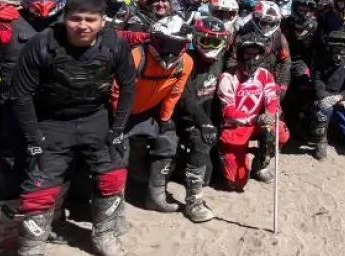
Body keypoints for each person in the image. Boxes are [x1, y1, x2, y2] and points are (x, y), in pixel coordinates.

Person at [9, 0, 137, 256]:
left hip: (95, 117)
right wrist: (32, 139)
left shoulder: (115, 43)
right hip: (51, 121)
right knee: (39, 190)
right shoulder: (43, 43)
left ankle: (103, 233)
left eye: (90, 19)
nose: (82, 25)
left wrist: (118, 128)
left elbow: (129, 84)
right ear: (65, 18)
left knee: (112, 176)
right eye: (75, 18)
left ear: (101, 21)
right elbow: (20, 94)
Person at [0, 0, 70, 256]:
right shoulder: (8, 24)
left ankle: (47, 226)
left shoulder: (71, 26)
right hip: (13, 116)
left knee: (57, 173)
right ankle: (8, 248)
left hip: (55, 116)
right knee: (12, 176)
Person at [115, 16, 193, 214]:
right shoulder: (136, 56)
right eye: (165, 42)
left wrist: (166, 119)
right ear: (155, 40)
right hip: (119, 111)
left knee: (168, 140)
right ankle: (115, 201)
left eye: (177, 44)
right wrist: (118, 119)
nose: (170, 49)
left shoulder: (185, 62)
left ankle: (156, 195)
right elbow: (116, 90)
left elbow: (175, 92)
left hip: (150, 111)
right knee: (117, 150)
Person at [217, 33, 289, 190]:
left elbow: (272, 99)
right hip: (234, 126)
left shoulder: (265, 75)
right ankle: (227, 156)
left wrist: (269, 114)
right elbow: (228, 110)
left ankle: (260, 163)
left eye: (256, 54)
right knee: (236, 183)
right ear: (241, 54)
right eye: (248, 54)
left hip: (258, 122)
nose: (252, 58)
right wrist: (254, 118)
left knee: (280, 131)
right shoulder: (227, 77)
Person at [176, 14, 229, 222]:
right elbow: (185, 97)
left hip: (208, 116)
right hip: (183, 119)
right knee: (201, 140)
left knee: (209, 177)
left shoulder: (220, 60)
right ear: (196, 38)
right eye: (206, 40)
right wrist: (204, 122)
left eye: (216, 40)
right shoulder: (186, 60)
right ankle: (193, 202)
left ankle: (181, 166)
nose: (211, 45)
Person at [309, 31, 345, 159]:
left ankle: (338, 133)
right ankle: (321, 142)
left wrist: (337, 98)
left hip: (340, 100)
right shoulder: (319, 59)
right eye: (336, 48)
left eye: (343, 49)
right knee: (324, 110)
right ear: (329, 47)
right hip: (323, 99)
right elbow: (317, 86)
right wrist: (328, 99)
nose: (339, 52)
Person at [231, 1, 291, 103]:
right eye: (264, 22)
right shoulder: (242, 33)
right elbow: (232, 59)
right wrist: (235, 81)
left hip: (270, 80)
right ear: (256, 18)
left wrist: (282, 84)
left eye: (272, 23)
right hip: (245, 79)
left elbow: (286, 61)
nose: (268, 26)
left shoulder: (279, 36)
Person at [281, 0, 318, 137]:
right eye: (301, 10)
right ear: (295, 9)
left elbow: (317, 46)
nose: (304, 13)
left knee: (306, 89)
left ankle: (299, 121)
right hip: (284, 59)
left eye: (307, 10)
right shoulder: (286, 22)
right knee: (281, 89)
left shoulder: (315, 25)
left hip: (302, 61)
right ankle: (280, 121)